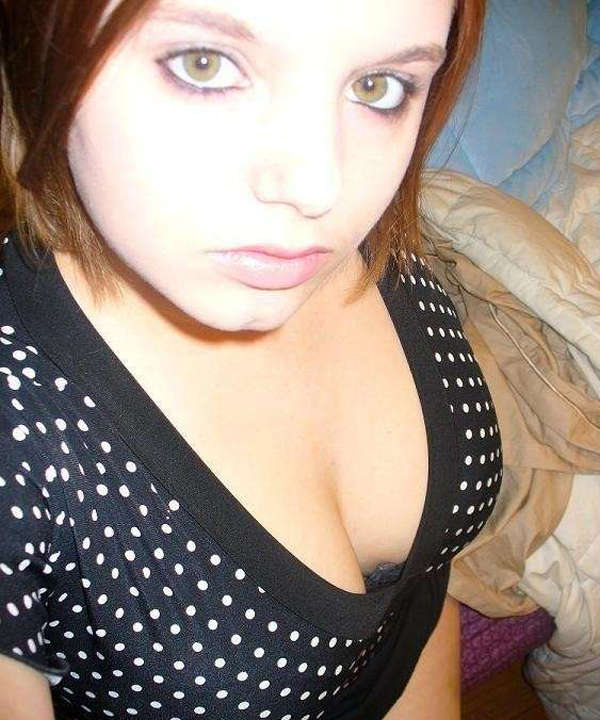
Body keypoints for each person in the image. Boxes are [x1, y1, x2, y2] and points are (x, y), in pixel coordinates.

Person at [0, 1, 500, 719]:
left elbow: (420, 592)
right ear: (36, 42)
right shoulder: (17, 429)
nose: (321, 188)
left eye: (378, 87)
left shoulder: (367, 251)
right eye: (204, 65)